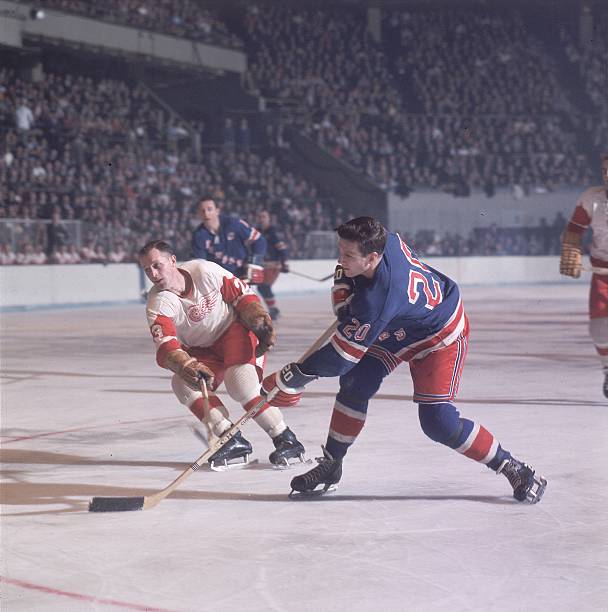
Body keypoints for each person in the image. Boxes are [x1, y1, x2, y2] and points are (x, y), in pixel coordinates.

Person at [261, 217, 547, 502]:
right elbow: (353, 278)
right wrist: (345, 282)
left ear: (372, 257)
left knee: (438, 422)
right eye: (341, 250)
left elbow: (340, 358)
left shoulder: (377, 301)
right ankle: (332, 464)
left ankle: (513, 467)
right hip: (401, 322)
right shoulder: (386, 239)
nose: (340, 258)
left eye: (348, 255)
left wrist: (296, 374)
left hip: (439, 334)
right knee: (355, 383)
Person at [139, 239, 305, 469]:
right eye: (147, 270)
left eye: (157, 265)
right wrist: (184, 365)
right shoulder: (158, 302)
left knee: (240, 384)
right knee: (182, 384)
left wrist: (258, 318)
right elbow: (166, 345)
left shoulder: (204, 271)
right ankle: (231, 438)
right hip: (201, 349)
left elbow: (242, 296)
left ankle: (285, 438)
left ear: (173, 261)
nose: (153, 274)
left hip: (232, 332)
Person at [560, 153, 608, 396]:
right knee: (600, 327)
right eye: (604, 170)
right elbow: (574, 231)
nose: (607, 175)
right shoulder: (592, 199)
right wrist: (572, 254)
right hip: (603, 272)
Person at [192, 196, 266, 286]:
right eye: (202, 210)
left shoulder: (234, 224)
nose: (206, 213)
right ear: (198, 213)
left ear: (217, 211)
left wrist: (255, 263)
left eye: (209, 209)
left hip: (242, 275)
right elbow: (202, 263)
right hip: (221, 281)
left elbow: (259, 240)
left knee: (250, 299)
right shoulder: (198, 236)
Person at [256, 209, 289, 319]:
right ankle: (273, 309)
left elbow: (282, 248)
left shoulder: (273, 232)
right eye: (260, 217)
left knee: (264, 286)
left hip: (273, 266)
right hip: (262, 266)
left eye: (264, 217)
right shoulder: (257, 231)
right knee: (261, 287)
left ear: (269, 219)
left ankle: (274, 309)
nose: (261, 219)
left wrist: (285, 263)